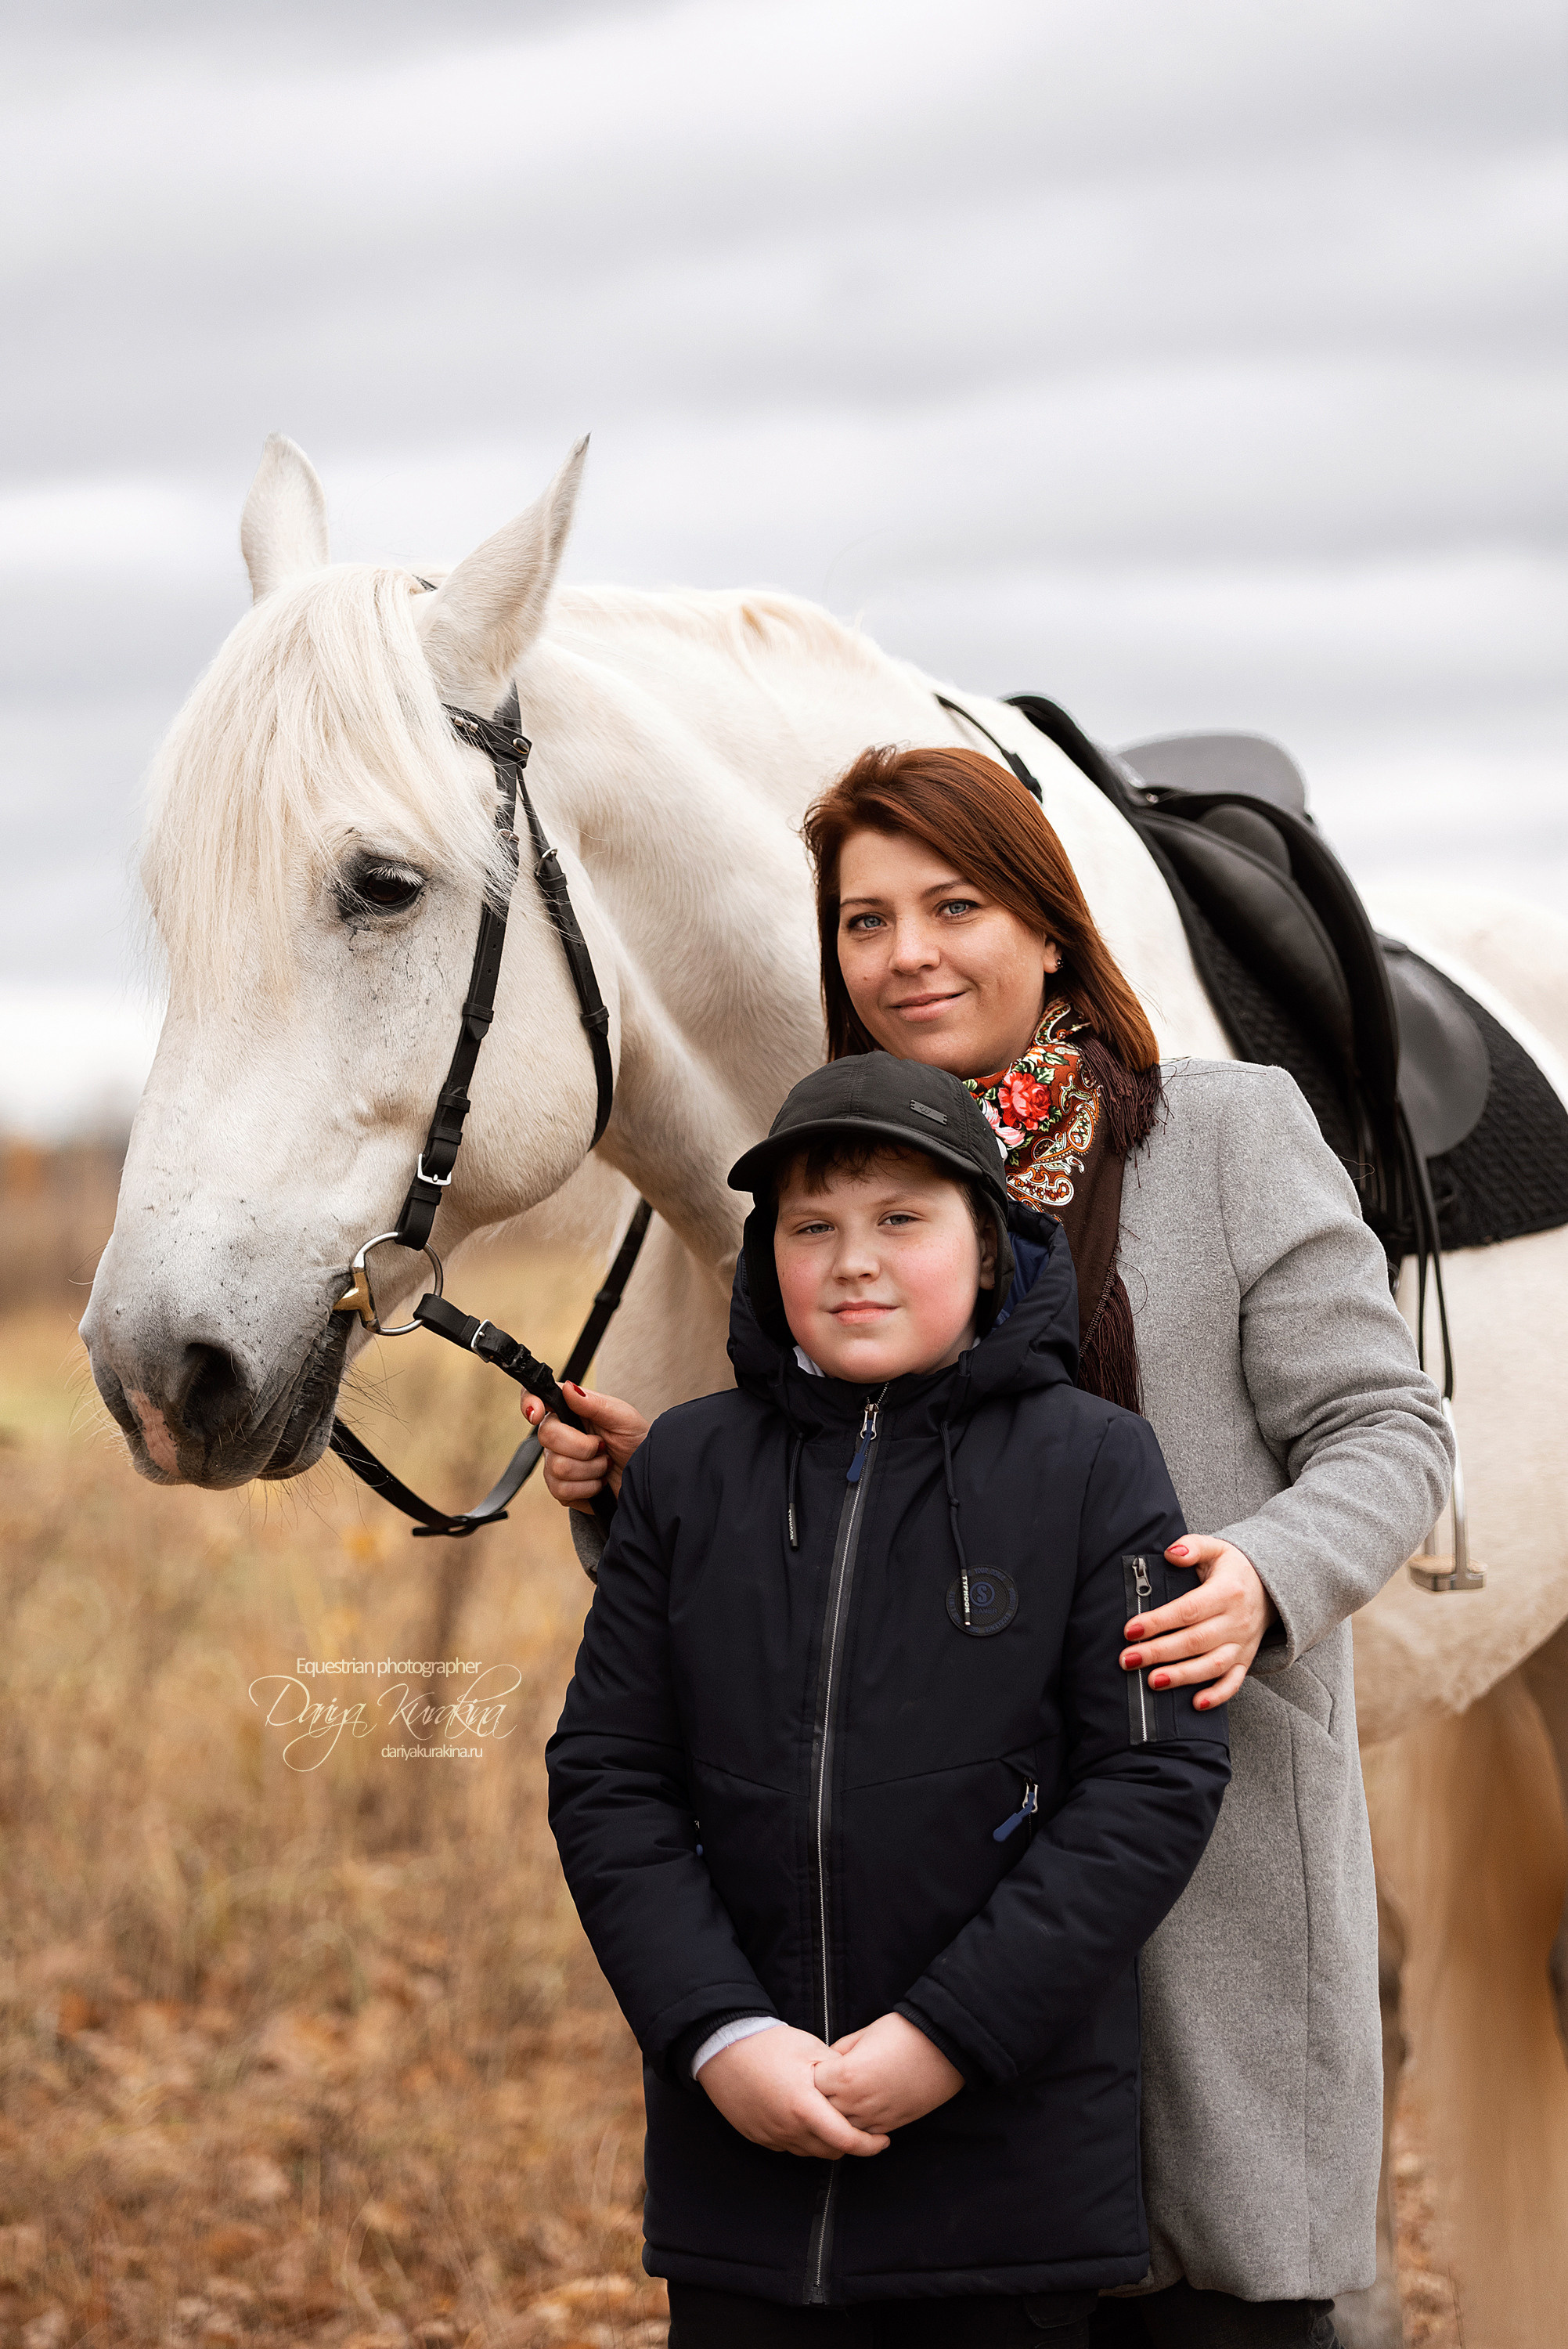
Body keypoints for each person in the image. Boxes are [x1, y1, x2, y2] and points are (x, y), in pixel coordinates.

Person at [528, 744, 1455, 2345]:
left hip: (1188, 1849)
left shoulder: (1228, 1139)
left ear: (1047, 923)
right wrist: (653, 1496)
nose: (907, 954)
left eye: (952, 904)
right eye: (864, 920)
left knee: (1202, 2298)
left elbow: (1390, 1428)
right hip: (927, 1919)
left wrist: (1265, 1573)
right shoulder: (824, 1183)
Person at [546, 1054, 1231, 2345]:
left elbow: (1153, 1781)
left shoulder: (1095, 1463)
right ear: (769, 1262)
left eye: (901, 1219)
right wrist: (717, 2035)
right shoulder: (693, 1469)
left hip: (1004, 2181)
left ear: (988, 1247)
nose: (853, 1259)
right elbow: (608, 1777)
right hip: (741, 2166)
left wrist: (942, 2038)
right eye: (813, 1227)